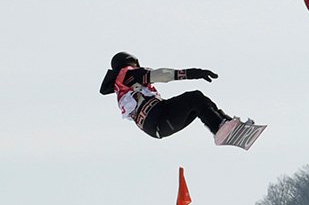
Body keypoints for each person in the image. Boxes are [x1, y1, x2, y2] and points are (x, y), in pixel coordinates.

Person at [98, 52, 255, 147]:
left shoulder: (120, 86)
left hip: (157, 126)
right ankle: (220, 128)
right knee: (195, 98)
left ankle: (226, 125)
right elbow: (162, 75)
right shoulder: (129, 73)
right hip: (158, 117)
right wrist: (193, 73)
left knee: (199, 103)